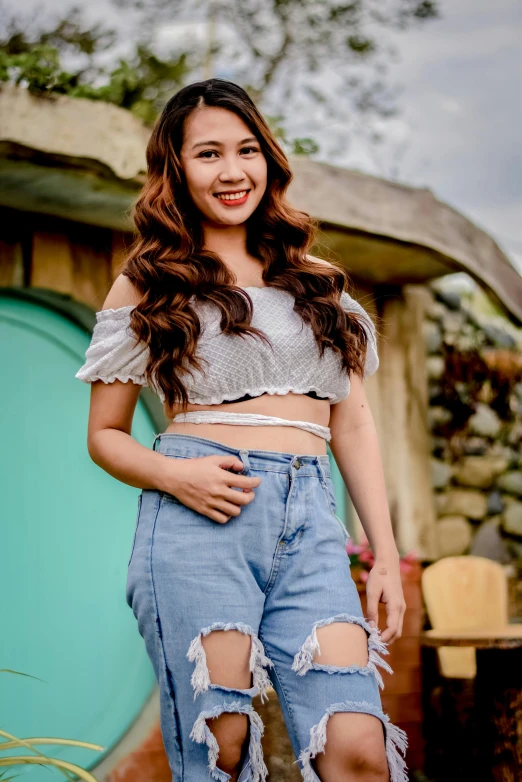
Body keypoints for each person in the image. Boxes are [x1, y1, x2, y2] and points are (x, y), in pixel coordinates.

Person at [75, 78, 408, 782]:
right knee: (220, 751)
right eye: (208, 154)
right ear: (176, 169)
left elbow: (352, 422)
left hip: (312, 525)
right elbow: (104, 434)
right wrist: (173, 473)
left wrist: (383, 554)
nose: (233, 171)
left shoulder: (319, 283)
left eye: (247, 150)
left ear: (269, 159)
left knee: (358, 750)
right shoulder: (149, 283)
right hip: (201, 520)